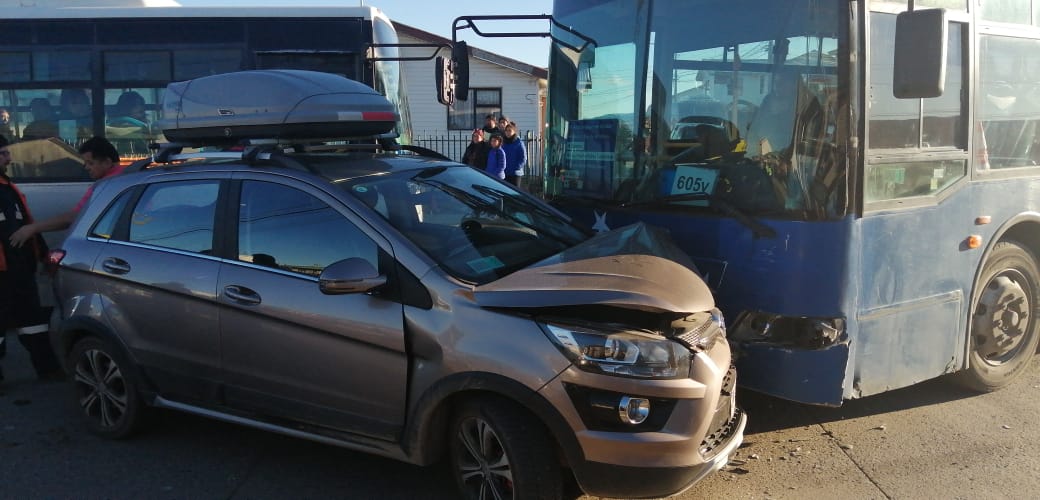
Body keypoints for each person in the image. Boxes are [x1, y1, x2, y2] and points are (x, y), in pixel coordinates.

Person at [0, 135, 63, 383]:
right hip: (5, 271)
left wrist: (41, 254)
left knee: (33, 320)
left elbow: (27, 225)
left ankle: (47, 369)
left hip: (18, 270)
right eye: (3, 153)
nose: (9, 158)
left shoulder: (6, 186)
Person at [10, 136, 123, 248]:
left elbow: (75, 217)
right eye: (85, 163)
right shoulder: (129, 178)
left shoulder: (106, 186)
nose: (86, 167)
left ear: (107, 162)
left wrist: (32, 228)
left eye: (90, 163)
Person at [501, 122, 526, 187]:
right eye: (506, 130)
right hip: (505, 173)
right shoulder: (503, 142)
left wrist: (515, 167)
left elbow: (523, 158)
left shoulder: (519, 142)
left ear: (514, 131)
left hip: (515, 173)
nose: (508, 132)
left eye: (510, 130)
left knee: (514, 193)